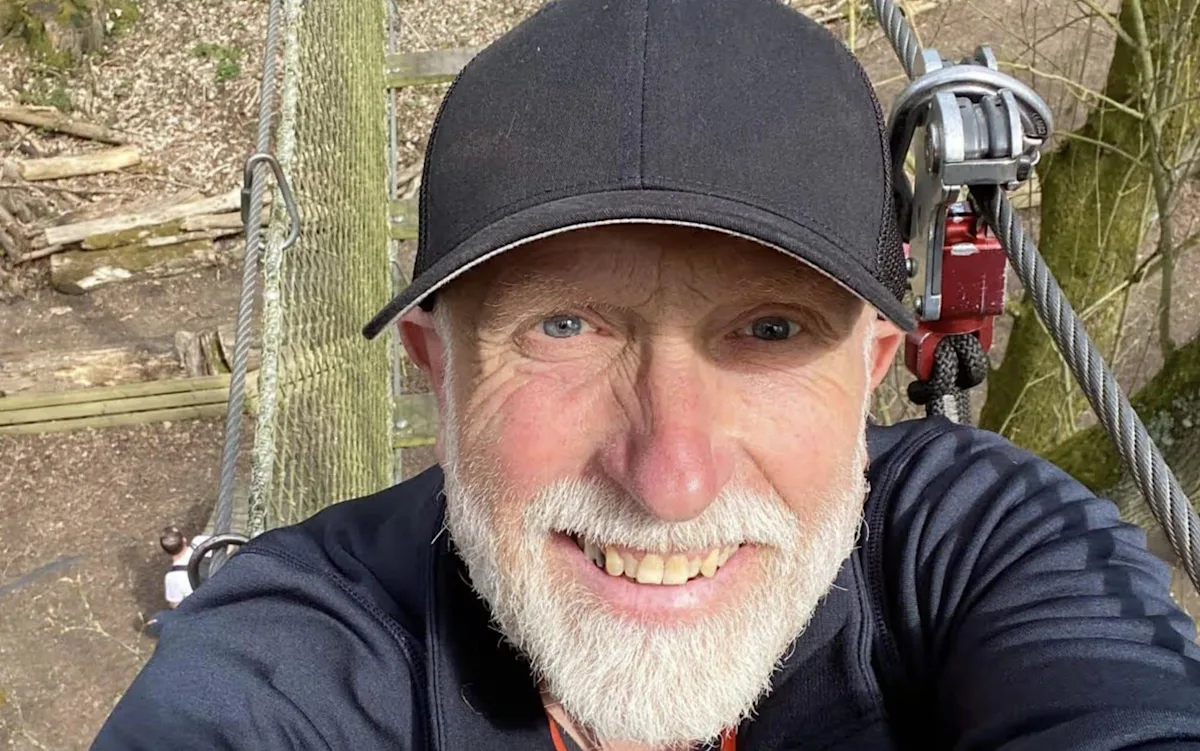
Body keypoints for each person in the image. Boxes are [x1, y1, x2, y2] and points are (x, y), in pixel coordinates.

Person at [92, 0, 1200, 748]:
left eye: (771, 330)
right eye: (564, 326)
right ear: (437, 369)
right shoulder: (301, 654)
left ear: (873, 369)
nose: (671, 478)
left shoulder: (976, 545)